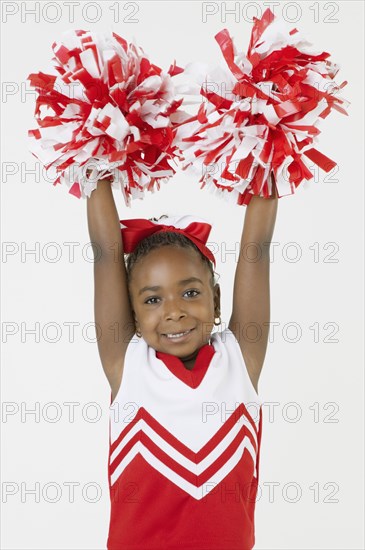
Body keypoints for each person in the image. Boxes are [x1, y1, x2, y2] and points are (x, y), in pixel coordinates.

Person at [87, 178, 278, 550]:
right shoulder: (126, 366)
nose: (174, 311)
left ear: (215, 299)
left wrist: (266, 157)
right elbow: (105, 254)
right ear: (131, 313)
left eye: (190, 293)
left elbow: (258, 250)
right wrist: (95, 163)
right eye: (152, 300)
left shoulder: (241, 360)